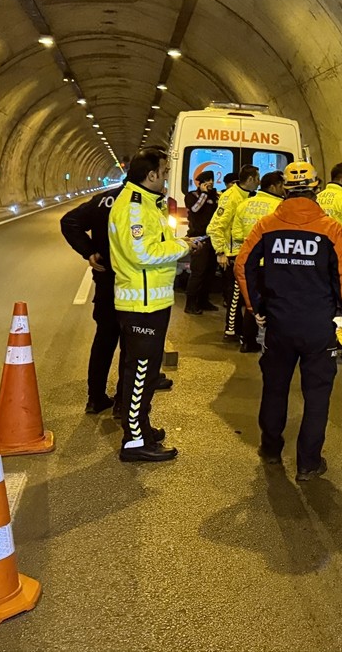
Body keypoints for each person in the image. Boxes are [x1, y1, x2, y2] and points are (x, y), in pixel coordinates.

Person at [235, 161, 342, 482]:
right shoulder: (330, 229)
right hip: (318, 326)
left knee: (275, 387)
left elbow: (243, 264)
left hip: (279, 323)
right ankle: (308, 463)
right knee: (316, 395)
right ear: (316, 188)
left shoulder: (267, 225)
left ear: (285, 190)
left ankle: (271, 449)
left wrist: (255, 305)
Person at [107, 147, 196, 462]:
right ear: (151, 174)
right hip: (140, 305)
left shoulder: (148, 203)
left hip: (152, 301)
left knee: (145, 374)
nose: (167, 177)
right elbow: (142, 253)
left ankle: (141, 428)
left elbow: (155, 244)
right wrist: (182, 247)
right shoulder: (134, 208)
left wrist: (178, 244)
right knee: (140, 374)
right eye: (165, 172)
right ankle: (134, 441)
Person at [60, 182, 124, 414]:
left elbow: (69, 221)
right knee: (131, 345)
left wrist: (89, 251)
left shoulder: (104, 200)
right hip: (133, 285)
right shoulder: (140, 202)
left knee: (104, 341)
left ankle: (95, 398)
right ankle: (123, 401)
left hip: (105, 281)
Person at [228, 170, 285, 351]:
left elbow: (236, 233)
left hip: (249, 262)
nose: (284, 189)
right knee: (274, 302)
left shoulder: (244, 204)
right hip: (271, 263)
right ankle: (271, 342)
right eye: (282, 186)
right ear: (274, 187)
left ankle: (248, 341)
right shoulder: (280, 207)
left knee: (252, 303)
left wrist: (249, 242)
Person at [207, 165, 260, 342]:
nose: (259, 182)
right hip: (231, 253)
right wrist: (220, 251)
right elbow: (215, 227)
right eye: (257, 178)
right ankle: (231, 331)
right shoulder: (231, 197)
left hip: (242, 252)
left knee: (239, 295)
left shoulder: (248, 196)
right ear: (250, 179)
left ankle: (239, 329)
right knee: (235, 296)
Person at [183, 170, 219, 315]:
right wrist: (204, 194)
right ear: (200, 183)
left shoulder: (214, 197)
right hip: (199, 238)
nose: (210, 183)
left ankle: (204, 301)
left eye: (212, 180)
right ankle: (190, 304)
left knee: (210, 271)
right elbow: (195, 209)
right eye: (207, 180)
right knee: (198, 272)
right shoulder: (192, 196)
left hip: (212, 238)